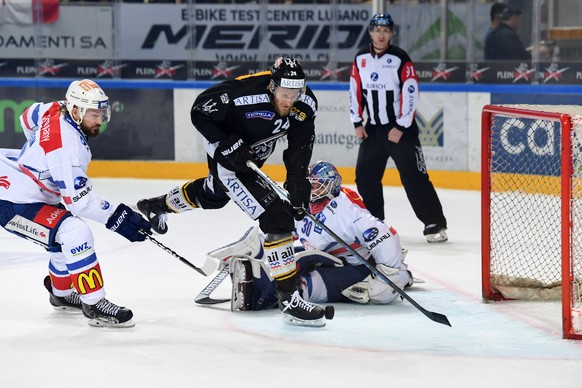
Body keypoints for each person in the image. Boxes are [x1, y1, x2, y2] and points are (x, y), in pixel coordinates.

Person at [137, 57, 331, 327]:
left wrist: (297, 179)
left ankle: (157, 205)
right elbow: (199, 111)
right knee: (278, 218)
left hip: (253, 154)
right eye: (285, 94)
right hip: (228, 155)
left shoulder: (305, 103)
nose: (290, 100)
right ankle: (288, 299)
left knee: (214, 195)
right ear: (272, 87)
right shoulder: (244, 93)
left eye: (295, 94)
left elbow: (300, 143)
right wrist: (227, 142)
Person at [0, 79, 152, 328]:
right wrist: (119, 218)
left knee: (63, 238)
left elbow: (26, 118)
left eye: (102, 113)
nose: (100, 120)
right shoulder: (65, 147)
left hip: (21, 187)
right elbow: (78, 202)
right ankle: (94, 304)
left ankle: (59, 295)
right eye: (94, 114)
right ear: (76, 111)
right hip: (13, 203)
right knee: (75, 231)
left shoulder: (56, 108)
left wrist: (38, 152)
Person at [213, 161, 413, 313]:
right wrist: (257, 245)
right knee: (284, 260)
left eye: (316, 186)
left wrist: (391, 277)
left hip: (357, 267)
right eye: (310, 185)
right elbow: (283, 232)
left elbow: (387, 236)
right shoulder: (304, 206)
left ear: (331, 186)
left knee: (308, 283)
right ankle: (254, 279)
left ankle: (262, 296)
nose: (310, 190)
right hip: (326, 258)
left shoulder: (346, 212)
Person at [349, 13, 448, 243]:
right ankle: (376, 222)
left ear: (391, 34)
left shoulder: (400, 58)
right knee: (365, 177)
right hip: (373, 129)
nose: (381, 34)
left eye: (386, 30)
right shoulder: (361, 58)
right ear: (371, 33)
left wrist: (401, 126)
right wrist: (357, 121)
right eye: (377, 30)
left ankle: (434, 223)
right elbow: (355, 90)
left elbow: (411, 93)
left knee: (414, 176)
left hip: (401, 132)